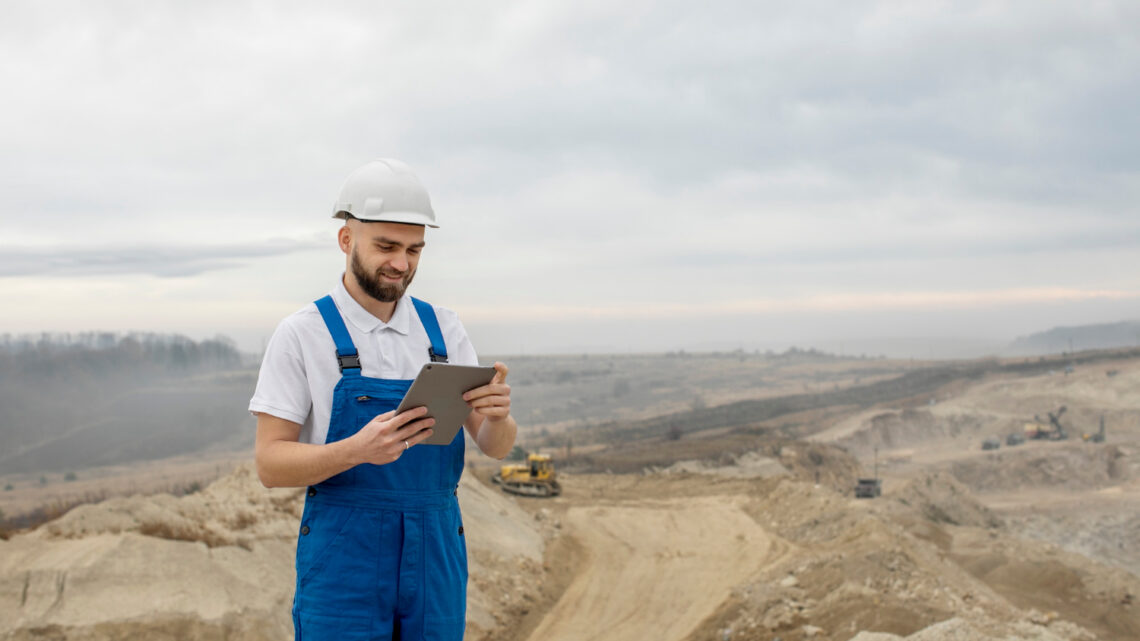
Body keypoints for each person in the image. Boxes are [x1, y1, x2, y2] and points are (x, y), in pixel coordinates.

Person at [248, 159, 517, 640]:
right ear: (346, 240)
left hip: (436, 551)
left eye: (415, 249)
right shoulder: (302, 335)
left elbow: (493, 445)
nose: (402, 263)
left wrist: (498, 417)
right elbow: (270, 464)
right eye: (387, 246)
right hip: (344, 558)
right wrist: (356, 451)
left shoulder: (444, 330)